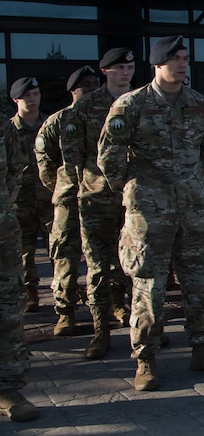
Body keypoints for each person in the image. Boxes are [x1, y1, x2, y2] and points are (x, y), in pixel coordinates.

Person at [98, 35, 204, 391]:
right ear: (157, 64)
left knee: (199, 283)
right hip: (149, 214)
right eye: (175, 59)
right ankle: (146, 359)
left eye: (186, 58)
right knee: (148, 288)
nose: (183, 64)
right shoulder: (131, 105)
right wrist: (135, 189)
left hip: (193, 211)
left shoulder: (200, 105)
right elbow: (109, 157)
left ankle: (202, 348)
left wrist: (198, 181)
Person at [63, 47, 136, 359]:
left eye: (129, 67)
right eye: (119, 67)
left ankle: (137, 325)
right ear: (105, 71)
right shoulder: (84, 108)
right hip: (96, 198)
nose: (125, 73)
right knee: (97, 266)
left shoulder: (142, 103)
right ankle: (100, 331)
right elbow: (71, 158)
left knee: (135, 265)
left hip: (133, 198)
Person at [35, 66, 100, 336]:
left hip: (97, 198)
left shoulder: (105, 117)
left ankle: (113, 305)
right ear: (73, 90)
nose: (92, 89)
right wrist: (63, 186)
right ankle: (65, 312)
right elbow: (45, 163)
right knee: (65, 254)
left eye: (95, 83)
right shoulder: (57, 121)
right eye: (86, 85)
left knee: (102, 257)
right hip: (67, 198)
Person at [0, 109, 37, 422]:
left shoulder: (2, 126)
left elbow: (15, 168)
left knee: (8, 308)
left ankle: (7, 388)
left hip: (2, 230)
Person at [9, 78, 52, 314]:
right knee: (24, 250)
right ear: (16, 100)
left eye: (36, 94)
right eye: (27, 96)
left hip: (48, 197)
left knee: (58, 247)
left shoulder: (49, 125)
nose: (33, 100)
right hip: (20, 200)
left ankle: (63, 293)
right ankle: (30, 293)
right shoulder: (9, 130)